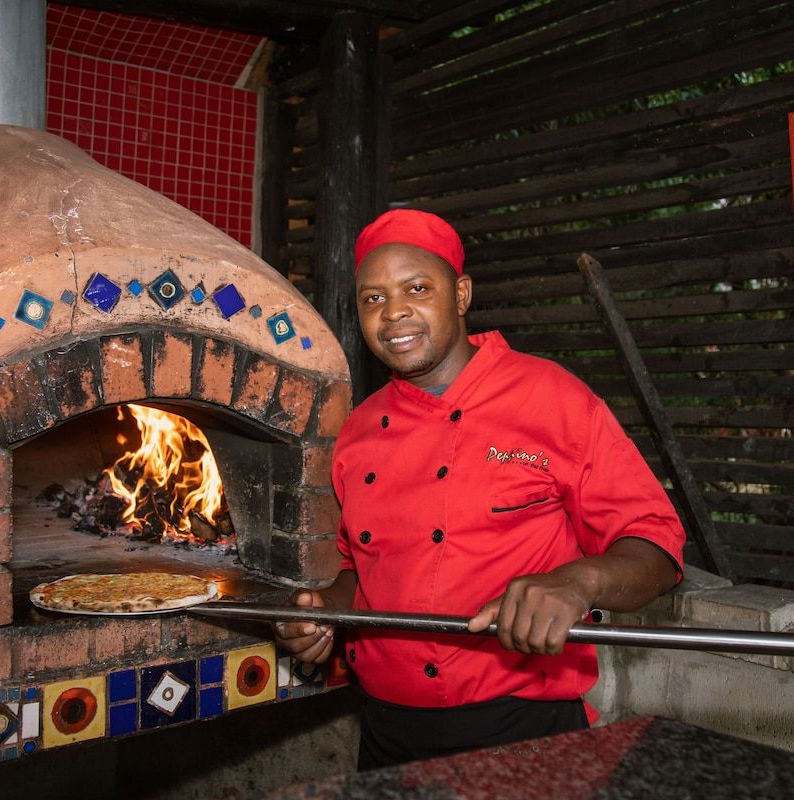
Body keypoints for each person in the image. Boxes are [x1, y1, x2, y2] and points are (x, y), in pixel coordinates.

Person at [275, 208, 685, 770]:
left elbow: (657, 546)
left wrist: (579, 581)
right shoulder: (359, 432)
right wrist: (325, 614)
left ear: (461, 293)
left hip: (525, 730)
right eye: (372, 298)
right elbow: (358, 573)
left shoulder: (555, 399)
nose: (394, 312)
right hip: (386, 731)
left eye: (417, 288)